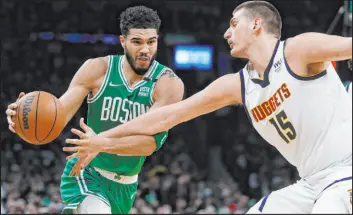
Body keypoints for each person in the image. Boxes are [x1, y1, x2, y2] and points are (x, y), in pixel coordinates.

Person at [63, 1, 352, 214]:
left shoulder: (298, 50)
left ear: (256, 25)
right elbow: (167, 116)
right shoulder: (238, 85)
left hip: (346, 171)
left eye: (234, 24)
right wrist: (103, 140)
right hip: (311, 183)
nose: (227, 33)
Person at [5, 5, 184, 214]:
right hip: (86, 172)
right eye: (137, 42)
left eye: (151, 42)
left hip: (125, 186)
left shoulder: (168, 84)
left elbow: (148, 145)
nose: (145, 49)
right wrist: (24, 117)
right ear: (123, 41)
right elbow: (59, 114)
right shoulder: (97, 69)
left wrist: (102, 143)